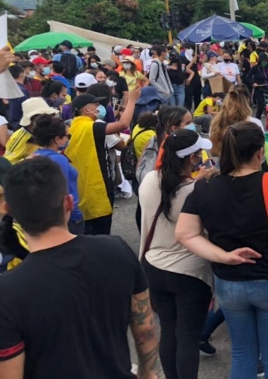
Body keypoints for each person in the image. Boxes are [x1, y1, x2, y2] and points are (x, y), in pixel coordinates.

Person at [176, 120, 268, 379]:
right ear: (259, 152)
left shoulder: (205, 185)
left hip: (228, 283)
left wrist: (225, 257)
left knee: (241, 353)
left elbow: (185, 234)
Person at [0, 158, 159, 379]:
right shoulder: (116, 250)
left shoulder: (8, 291)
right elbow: (145, 328)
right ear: (68, 203)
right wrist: (147, 372)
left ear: (7, 209)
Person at [139, 129, 213, 379]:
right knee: (188, 336)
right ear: (192, 159)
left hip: (153, 265)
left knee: (169, 330)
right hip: (188, 272)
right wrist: (201, 181)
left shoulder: (150, 180)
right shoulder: (196, 191)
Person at [65, 88, 140, 236]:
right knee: (101, 230)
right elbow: (123, 124)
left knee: (88, 230)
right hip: (98, 184)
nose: (99, 107)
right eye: (96, 105)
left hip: (82, 185)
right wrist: (131, 101)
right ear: (86, 110)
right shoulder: (91, 126)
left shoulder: (73, 126)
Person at [30, 115, 84, 235]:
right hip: (68, 218)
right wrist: (75, 216)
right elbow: (63, 191)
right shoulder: (58, 159)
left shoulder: (35, 155)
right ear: (57, 139)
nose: (68, 139)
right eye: (67, 136)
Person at [209, 86, 263, 155]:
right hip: (247, 162)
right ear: (248, 101)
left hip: (223, 162)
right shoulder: (255, 123)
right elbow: (261, 150)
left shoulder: (216, 121)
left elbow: (212, 146)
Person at [4, 98, 58, 164]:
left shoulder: (49, 130)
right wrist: (26, 160)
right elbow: (7, 164)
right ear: (31, 120)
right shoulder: (19, 138)